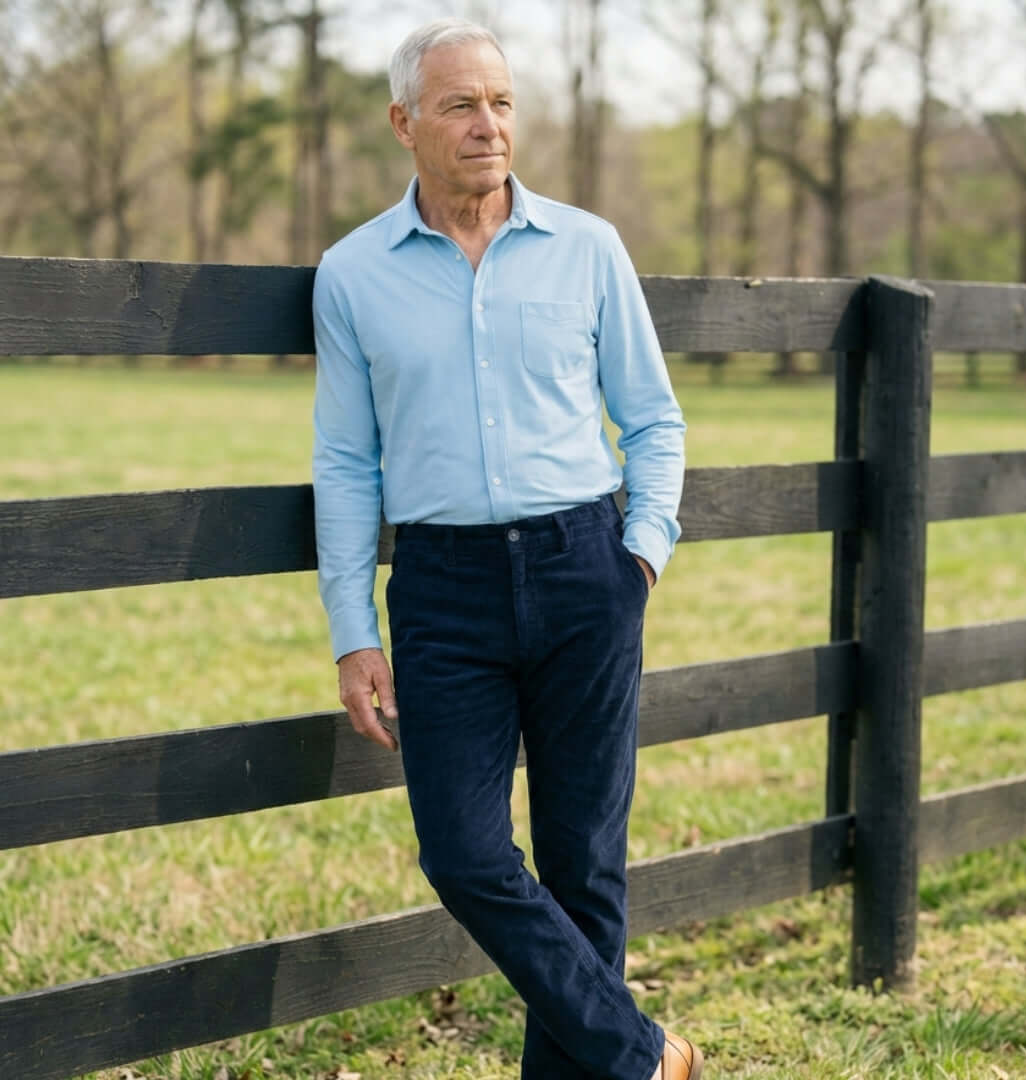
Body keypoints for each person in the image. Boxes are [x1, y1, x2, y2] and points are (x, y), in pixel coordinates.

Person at [311, 18, 699, 1080]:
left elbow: (655, 420)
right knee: (464, 855)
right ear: (404, 123)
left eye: (501, 102)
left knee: (585, 868)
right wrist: (352, 630)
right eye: (460, 105)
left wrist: (640, 555)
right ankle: (645, 1056)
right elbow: (344, 461)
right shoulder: (353, 274)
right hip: (443, 589)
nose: (489, 125)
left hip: (586, 570)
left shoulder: (589, 247)